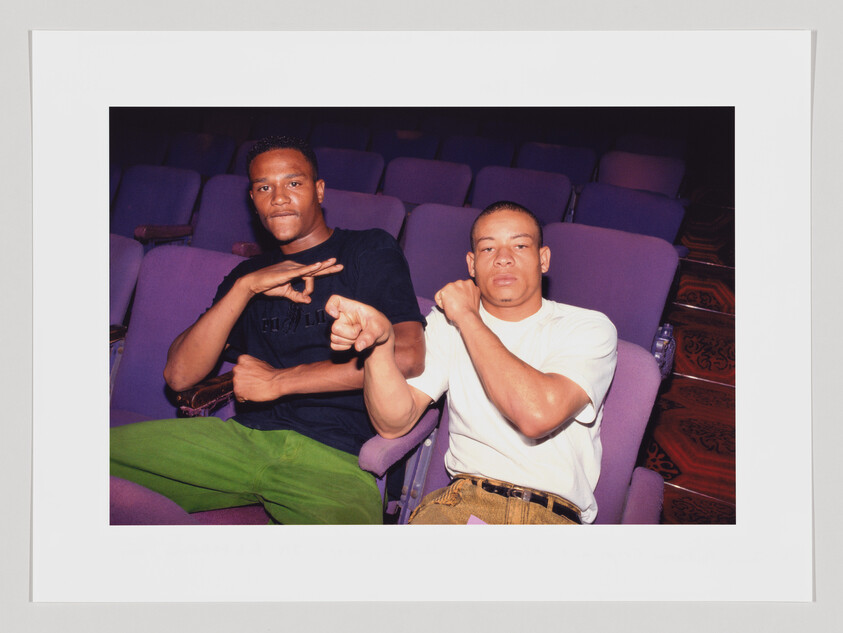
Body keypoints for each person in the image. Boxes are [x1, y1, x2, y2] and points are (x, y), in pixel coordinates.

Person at [110, 136, 425, 525]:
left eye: (293, 183)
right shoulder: (247, 275)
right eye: (264, 187)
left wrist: (281, 381)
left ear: (319, 190)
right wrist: (246, 289)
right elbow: (179, 376)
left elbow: (409, 356)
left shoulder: (369, 250)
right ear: (253, 199)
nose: (278, 198)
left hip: (339, 455)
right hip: (241, 439)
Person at [326, 201, 618, 524]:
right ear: (472, 264)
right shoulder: (446, 324)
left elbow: (535, 414)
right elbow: (394, 422)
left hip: (551, 515)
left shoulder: (588, 327)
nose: (503, 257)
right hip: (462, 506)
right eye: (488, 248)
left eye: (520, 245)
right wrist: (378, 349)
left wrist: (467, 316)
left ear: (543, 259)